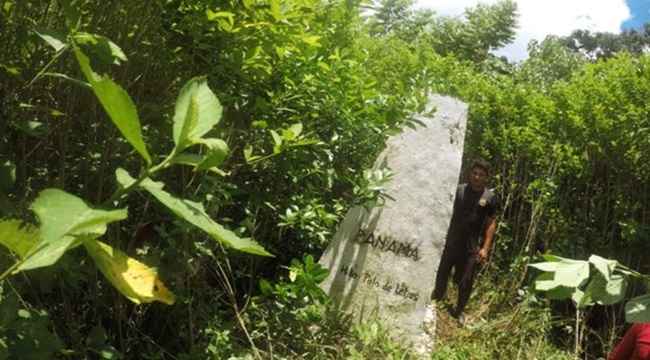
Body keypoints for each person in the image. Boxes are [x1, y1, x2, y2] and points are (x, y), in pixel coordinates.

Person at [432, 158, 499, 326]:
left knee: (466, 281)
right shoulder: (459, 190)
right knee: (441, 274)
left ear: (486, 177)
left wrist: (485, 248)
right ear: (470, 173)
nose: (477, 177)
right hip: (451, 243)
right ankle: (436, 302)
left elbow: (491, 224)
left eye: (481, 175)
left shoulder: (489, 197)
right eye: (474, 173)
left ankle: (459, 311)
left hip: (471, 248)